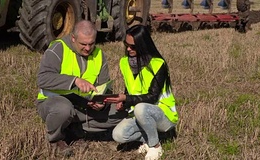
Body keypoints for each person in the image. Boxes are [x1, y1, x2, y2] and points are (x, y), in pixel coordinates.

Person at [36, 20, 127, 156]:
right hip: (54, 102)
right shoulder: (58, 48)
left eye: (91, 44)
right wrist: (74, 81)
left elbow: (105, 86)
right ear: (73, 38)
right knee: (64, 109)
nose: (88, 48)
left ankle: (75, 129)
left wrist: (102, 101)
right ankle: (56, 139)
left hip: (84, 105)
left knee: (122, 111)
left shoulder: (99, 55)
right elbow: (42, 79)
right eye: (83, 44)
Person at [105, 24, 179, 160]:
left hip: (164, 114)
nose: (128, 49)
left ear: (142, 45)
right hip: (141, 112)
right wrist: (124, 102)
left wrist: (126, 98)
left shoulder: (158, 64)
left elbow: (152, 97)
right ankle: (152, 137)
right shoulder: (124, 62)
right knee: (118, 135)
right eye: (126, 44)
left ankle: (155, 146)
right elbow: (131, 87)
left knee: (140, 108)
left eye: (133, 46)